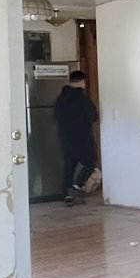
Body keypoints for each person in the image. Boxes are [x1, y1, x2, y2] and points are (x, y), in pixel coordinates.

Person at [55, 70, 100, 202]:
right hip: (82, 137)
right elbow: (93, 116)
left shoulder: (60, 98)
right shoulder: (82, 99)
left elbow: (56, 116)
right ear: (82, 82)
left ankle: (67, 194)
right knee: (90, 163)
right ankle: (77, 185)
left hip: (65, 137)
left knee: (69, 165)